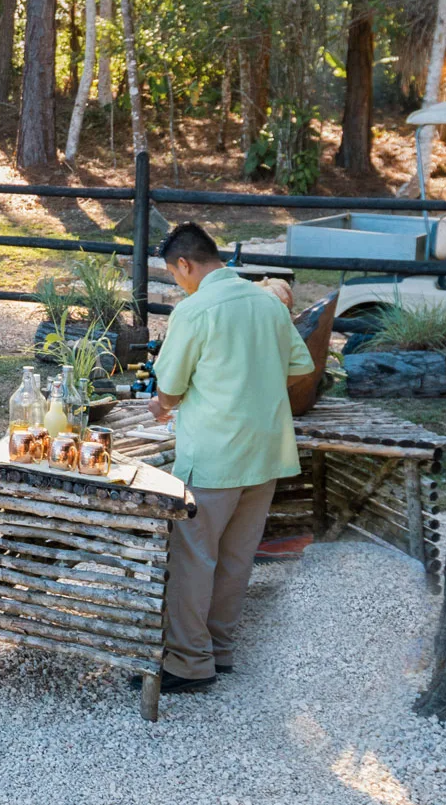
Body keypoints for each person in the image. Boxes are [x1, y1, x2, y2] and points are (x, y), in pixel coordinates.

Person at [143, 221, 310, 694]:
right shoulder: (268, 303)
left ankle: (189, 663)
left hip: (215, 455)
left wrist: (161, 405)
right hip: (266, 451)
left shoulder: (195, 310)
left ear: (184, 264)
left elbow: (171, 387)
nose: (178, 282)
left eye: (174, 274)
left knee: (193, 559)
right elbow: (301, 366)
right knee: (237, 558)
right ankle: (220, 650)